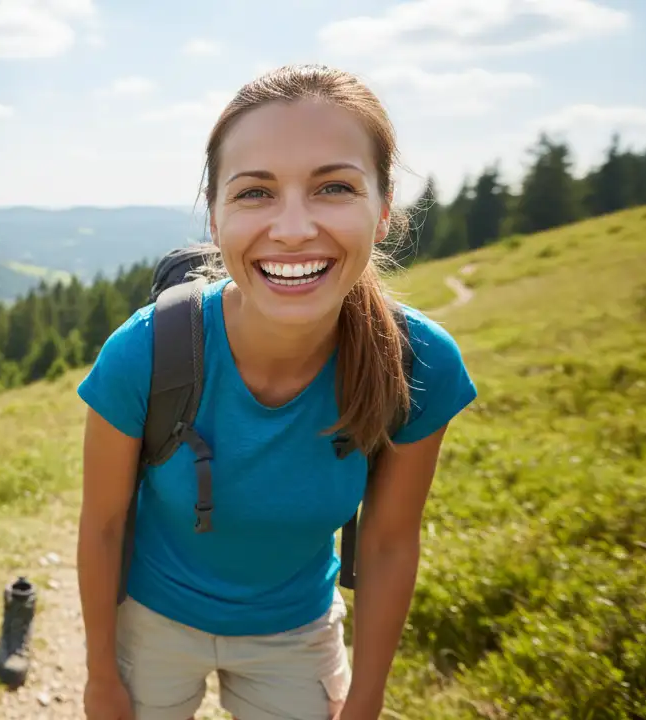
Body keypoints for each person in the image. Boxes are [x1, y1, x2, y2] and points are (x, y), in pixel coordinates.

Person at [75, 64, 478, 720]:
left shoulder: (419, 364)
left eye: (334, 187)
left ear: (383, 210)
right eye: (255, 193)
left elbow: (389, 543)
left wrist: (367, 698)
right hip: (151, 620)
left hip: (297, 633)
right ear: (215, 218)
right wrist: (100, 677)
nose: (292, 229)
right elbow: (102, 525)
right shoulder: (143, 352)